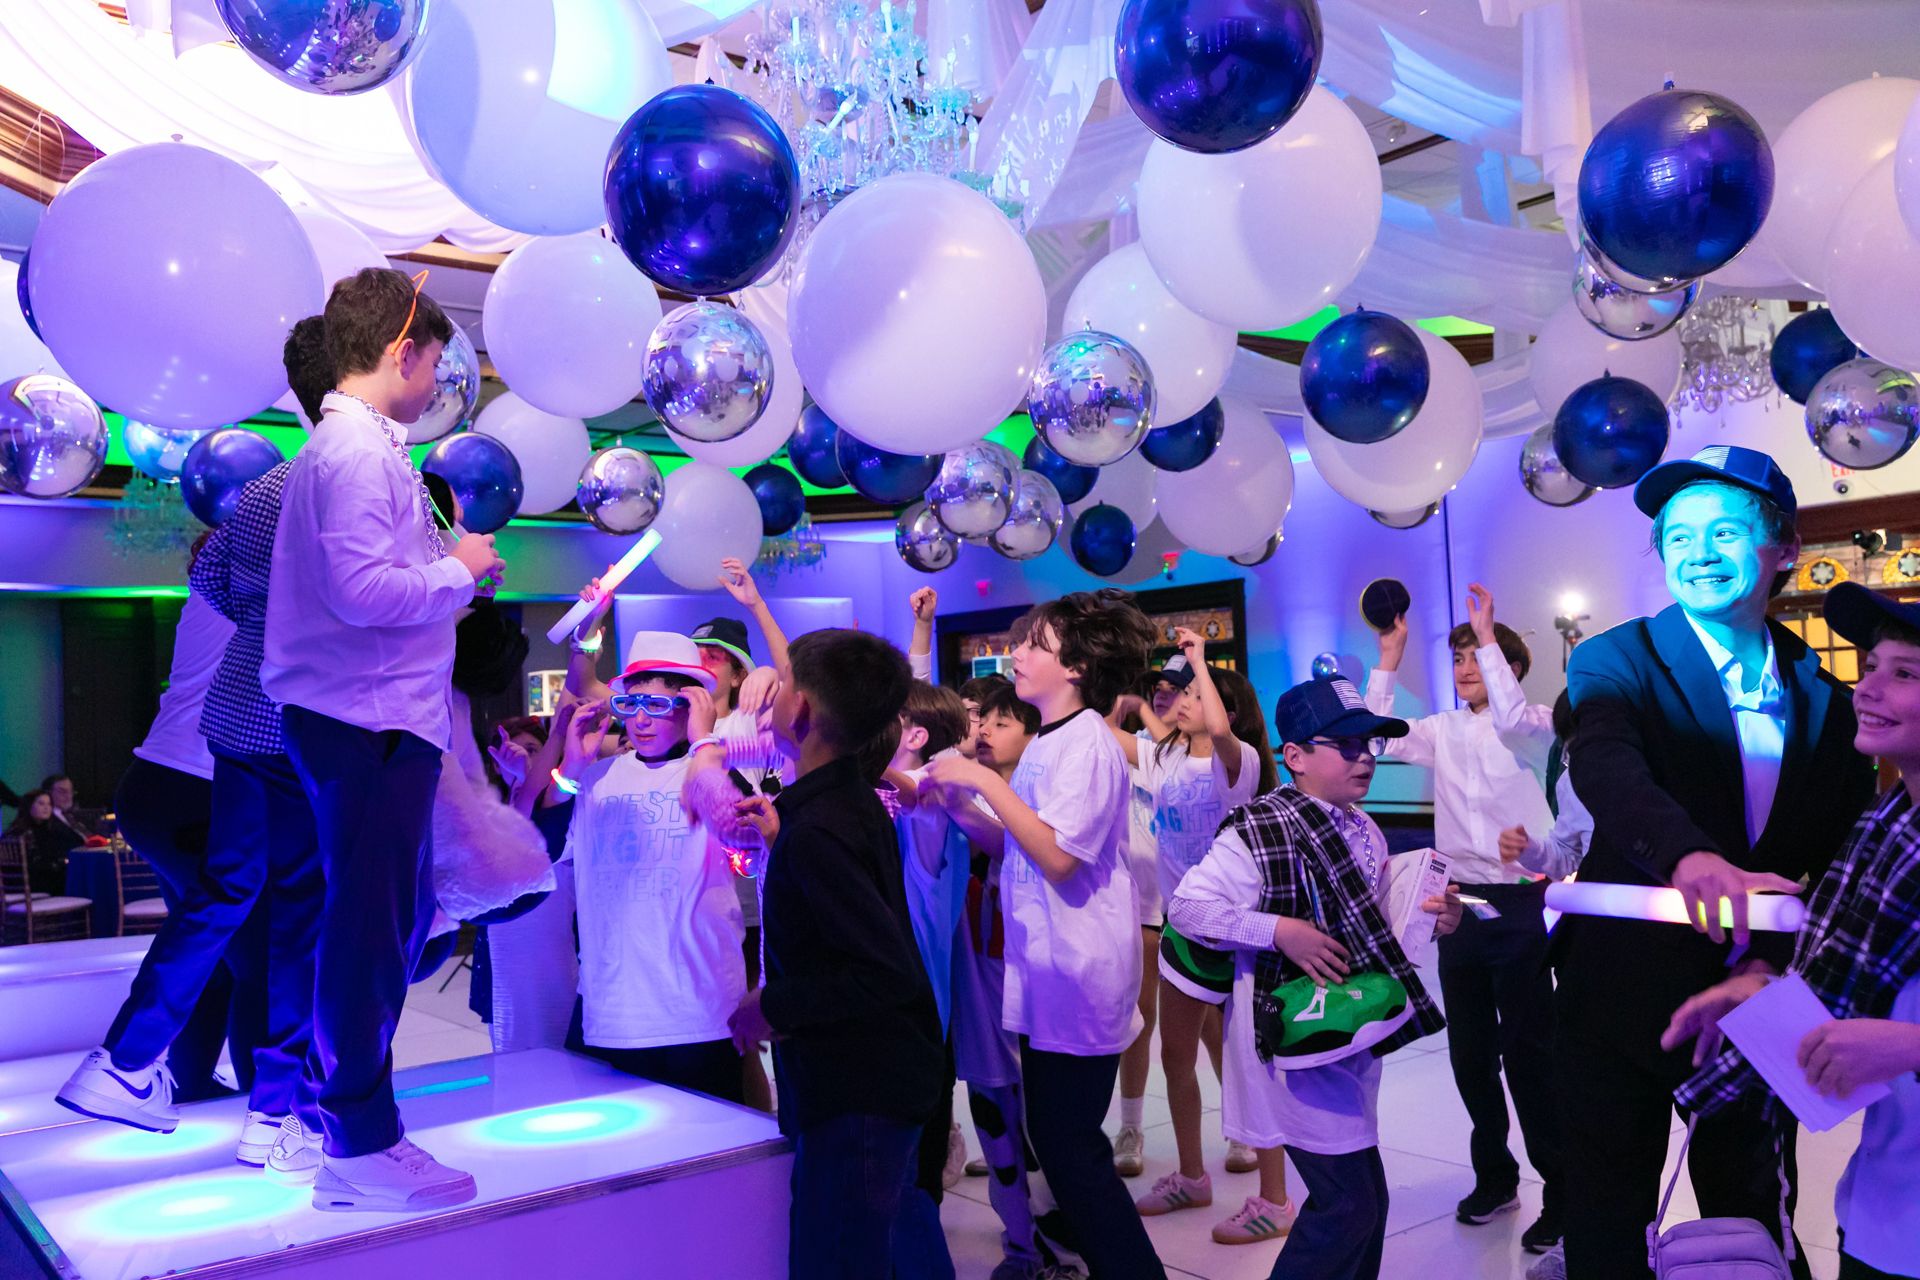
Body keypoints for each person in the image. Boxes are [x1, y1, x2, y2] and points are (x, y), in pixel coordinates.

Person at [1557, 445, 1875, 1279]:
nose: (1699, 552)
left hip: (1755, 1005)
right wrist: (1689, 856)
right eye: (1679, 535)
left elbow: (1837, 852)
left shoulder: (1828, 698)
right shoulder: (1615, 660)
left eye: (1727, 531)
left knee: (1753, 1219)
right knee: (1606, 1213)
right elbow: (1607, 768)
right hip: (1618, 996)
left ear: (1784, 549)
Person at [55, 316, 332, 1162]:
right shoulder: (277, 572)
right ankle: (257, 1108)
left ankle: (172, 1076)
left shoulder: (215, 580)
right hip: (209, 778)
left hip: (158, 782)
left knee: (218, 924)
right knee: (260, 936)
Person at [261, 266, 503, 1212]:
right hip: (361, 718)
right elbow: (362, 594)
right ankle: (355, 1140)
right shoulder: (355, 452)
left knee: (380, 923)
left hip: (372, 717)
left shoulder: (355, 447)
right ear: (402, 351)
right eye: (439, 364)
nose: (440, 382)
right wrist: (457, 569)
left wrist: (448, 573)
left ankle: (351, 1131)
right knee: (369, 929)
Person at [1663, 581, 1920, 1280]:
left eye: (1904, 674)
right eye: (1870, 666)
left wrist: (1908, 1046)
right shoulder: (1886, 825)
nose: (1866, 688)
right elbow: (1855, 969)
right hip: (1885, 1200)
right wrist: (1765, 990)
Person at [1170, 675, 1459, 1280]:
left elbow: (1377, 927)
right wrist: (1278, 930)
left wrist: (1439, 918)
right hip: (1290, 1048)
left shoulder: (1363, 827)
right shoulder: (1259, 827)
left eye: (1370, 745)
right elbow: (1188, 909)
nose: (1364, 758)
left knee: (1363, 1203)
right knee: (1349, 1203)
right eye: (1347, 744)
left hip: (1344, 1036)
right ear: (1295, 756)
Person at [925, 589, 1167, 1280]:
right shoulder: (1050, 742)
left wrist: (980, 780)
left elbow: (1060, 856)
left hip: (1080, 973)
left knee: (1069, 1148)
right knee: (1061, 1142)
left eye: (1037, 644)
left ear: (1080, 667)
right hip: (1048, 969)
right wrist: (956, 801)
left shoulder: (1086, 742)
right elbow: (1017, 847)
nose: (1019, 653)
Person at [724, 628, 943, 1280]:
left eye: (785, 685)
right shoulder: (838, 804)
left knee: (838, 1256)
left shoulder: (819, 826)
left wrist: (771, 1003)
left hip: (859, 1086)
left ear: (802, 712)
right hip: (873, 1077)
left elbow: (880, 969)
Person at [1366, 582, 1566, 1251]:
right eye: (1457, 660)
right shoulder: (1441, 731)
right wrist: (1388, 658)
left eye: (1476, 658)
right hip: (1460, 904)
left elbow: (1509, 721)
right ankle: (1495, 1177)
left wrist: (1487, 630)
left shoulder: (1535, 725)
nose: (1463, 670)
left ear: (1509, 669)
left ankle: (1563, 1191)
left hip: (1524, 901)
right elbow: (1378, 739)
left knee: (1532, 1056)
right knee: (1470, 1053)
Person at [1114, 634, 1286, 1240]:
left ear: (1226, 709)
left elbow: (1215, 723)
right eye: (1180, 691)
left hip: (1237, 934)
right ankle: (1192, 1176)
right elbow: (1100, 735)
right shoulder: (1161, 758)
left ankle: (1274, 1197)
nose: (1179, 699)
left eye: (1192, 693)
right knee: (1174, 1055)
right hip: (1183, 932)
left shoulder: (1236, 767)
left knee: (1251, 1063)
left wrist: (1199, 664)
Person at [551, 632, 751, 1099]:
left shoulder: (710, 773)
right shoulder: (596, 778)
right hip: (611, 1005)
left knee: (708, 1151)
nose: (640, 719)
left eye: (658, 706)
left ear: (692, 705)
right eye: (632, 704)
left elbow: (747, 842)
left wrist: (707, 743)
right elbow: (543, 851)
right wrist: (571, 769)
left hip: (698, 1010)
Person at [1108, 662, 1178, 1182]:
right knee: (1137, 1016)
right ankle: (1130, 1125)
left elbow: (1166, 758)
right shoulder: (1121, 743)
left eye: (1177, 693)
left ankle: (1243, 1132)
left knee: (1208, 1026)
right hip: (1132, 904)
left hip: (1183, 904)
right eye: (1156, 692)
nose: (1162, 700)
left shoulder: (1201, 756)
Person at [1499, 692, 1594, 881]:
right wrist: (1528, 848)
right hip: (1598, 899)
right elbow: (1567, 853)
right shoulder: (1571, 780)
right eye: (1572, 751)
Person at [5, 789, 82, 896]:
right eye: (41, 803)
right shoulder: (21, 833)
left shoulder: (48, 830)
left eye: (49, 804)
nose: (47, 808)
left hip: (36, 882)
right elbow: (35, 865)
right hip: (31, 886)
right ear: (29, 806)